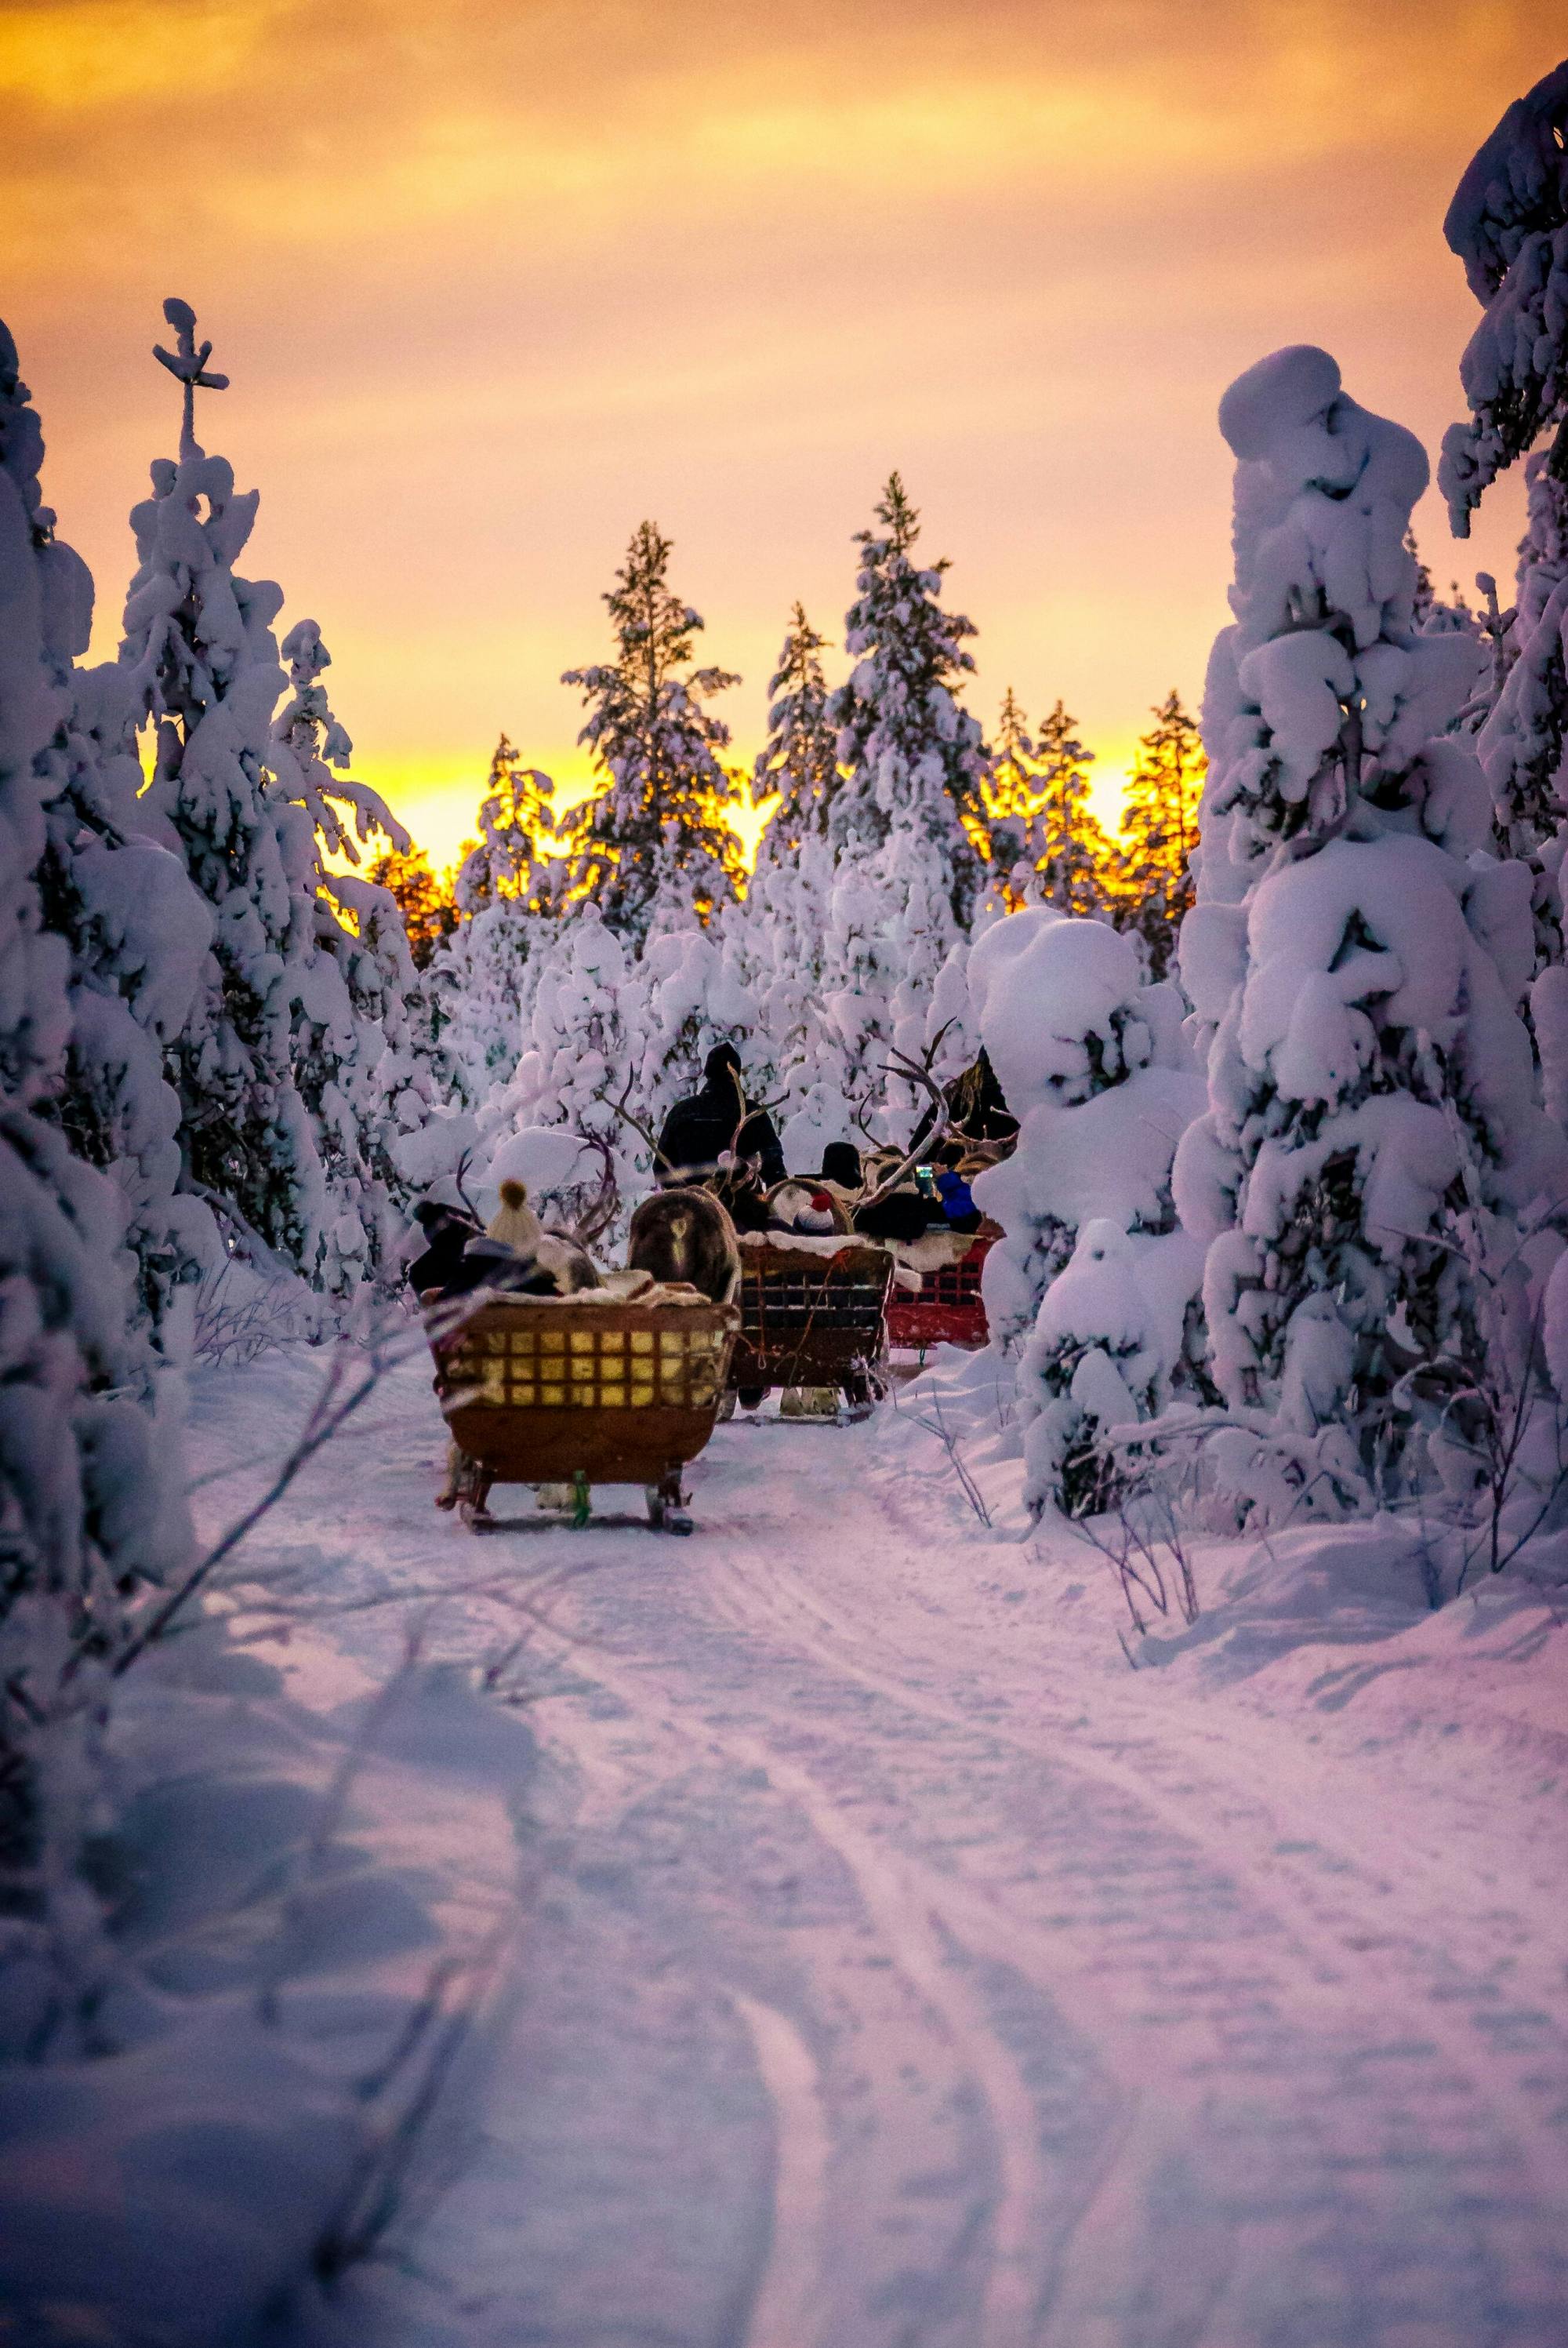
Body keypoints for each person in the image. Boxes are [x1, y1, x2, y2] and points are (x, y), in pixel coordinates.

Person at [656, 1041, 786, 1186]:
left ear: (708, 1073)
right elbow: (774, 1171)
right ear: (737, 1072)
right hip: (740, 1204)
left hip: (691, 1203)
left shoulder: (681, 1112)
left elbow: (661, 1169)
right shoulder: (752, 1113)